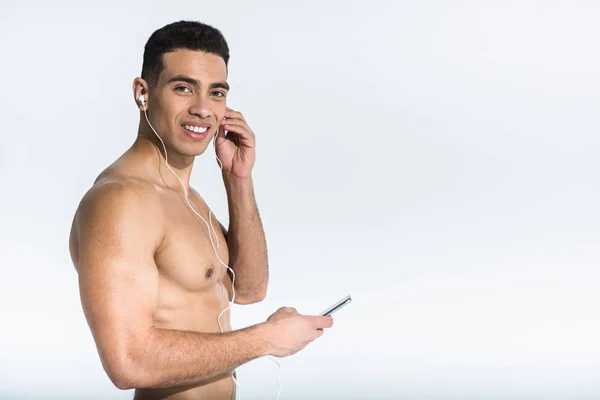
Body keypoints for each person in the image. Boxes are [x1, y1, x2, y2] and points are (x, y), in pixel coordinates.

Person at [68, 20, 333, 400]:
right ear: (143, 93)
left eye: (216, 93)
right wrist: (267, 339)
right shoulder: (121, 200)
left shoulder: (187, 199)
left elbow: (248, 289)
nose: (202, 109)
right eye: (183, 88)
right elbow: (127, 362)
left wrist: (238, 179)